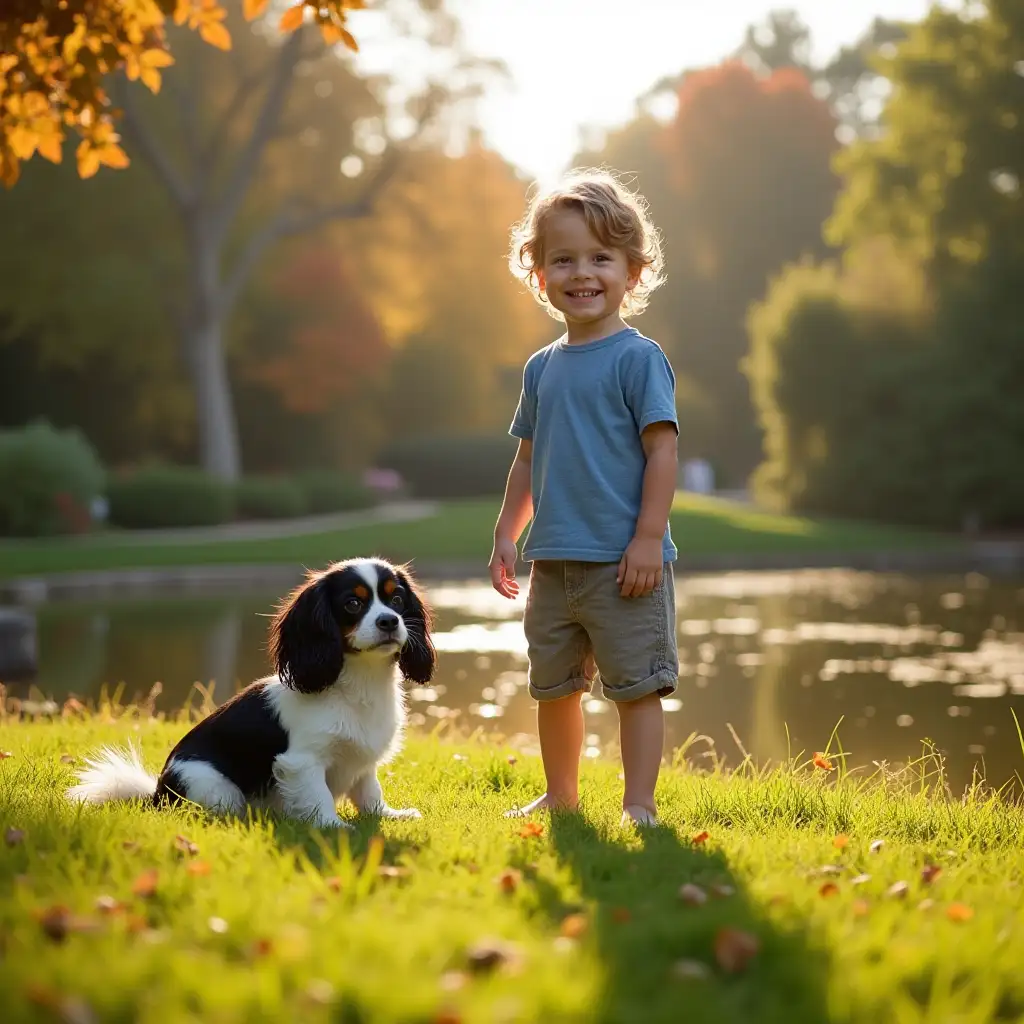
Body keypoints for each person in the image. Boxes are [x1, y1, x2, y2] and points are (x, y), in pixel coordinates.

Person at [489, 169, 680, 827]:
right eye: (563, 259)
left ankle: (638, 804)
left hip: (625, 563)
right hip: (555, 563)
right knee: (554, 688)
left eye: (601, 257)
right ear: (540, 275)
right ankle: (561, 793)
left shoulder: (638, 358)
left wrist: (649, 537)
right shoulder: (541, 368)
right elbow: (527, 458)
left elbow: (663, 451)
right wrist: (507, 534)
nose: (582, 273)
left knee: (636, 687)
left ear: (632, 270)